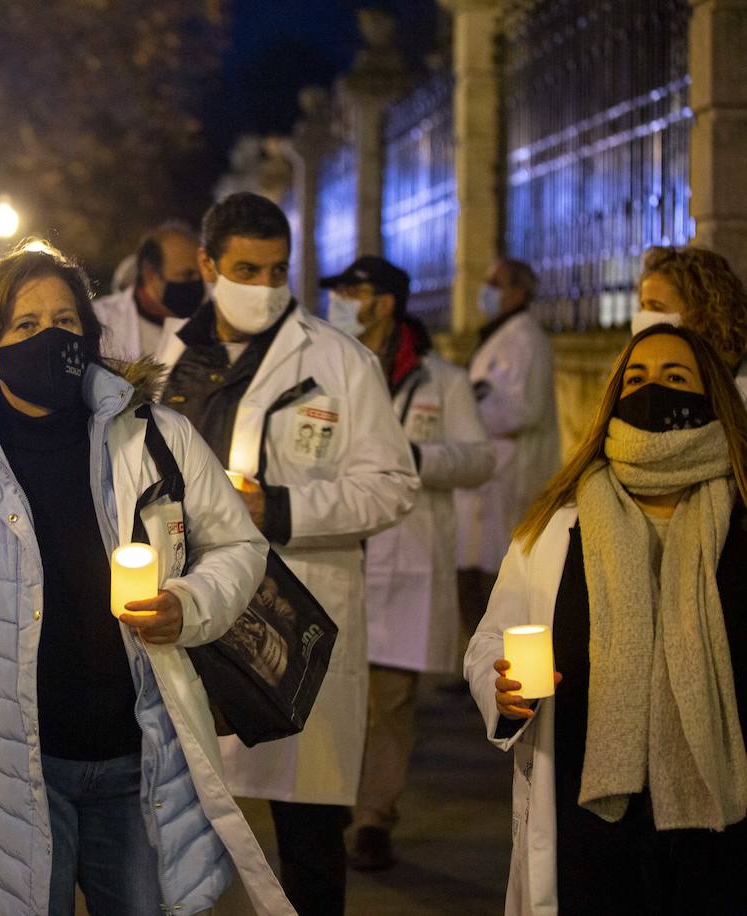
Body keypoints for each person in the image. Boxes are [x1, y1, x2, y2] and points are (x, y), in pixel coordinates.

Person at [0, 244, 295, 914]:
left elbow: (236, 547)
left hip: (139, 766)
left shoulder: (156, 438)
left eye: (66, 322)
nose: (51, 338)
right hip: (5, 773)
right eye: (25, 326)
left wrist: (189, 604)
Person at [156, 194, 419, 916]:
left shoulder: (339, 362)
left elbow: (393, 487)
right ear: (208, 266)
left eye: (277, 270)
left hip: (294, 622)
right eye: (246, 268)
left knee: (305, 837)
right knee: (189, 825)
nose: (266, 286)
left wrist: (279, 508)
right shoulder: (166, 361)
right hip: (191, 614)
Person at [467, 325, 747, 914]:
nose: (653, 391)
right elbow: (491, 638)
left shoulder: (741, 522)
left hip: (724, 826)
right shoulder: (556, 525)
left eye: (676, 378)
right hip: (588, 818)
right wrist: (502, 692)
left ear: (713, 396)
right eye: (636, 378)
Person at [320, 256, 496, 871]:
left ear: (386, 302)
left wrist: (410, 456)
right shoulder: (323, 371)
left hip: (407, 560)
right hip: (339, 551)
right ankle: (334, 801)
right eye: (338, 290)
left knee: (391, 702)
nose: (341, 299)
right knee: (334, 694)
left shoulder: (440, 380)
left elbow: (478, 461)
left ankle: (373, 820)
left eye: (354, 290)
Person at [454, 258, 560, 659]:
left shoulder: (525, 339)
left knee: (499, 581)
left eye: (494, 283)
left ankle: (498, 665)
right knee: (474, 574)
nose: (486, 289)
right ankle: (477, 665)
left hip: (510, 475)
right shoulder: (503, 335)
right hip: (489, 475)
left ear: (518, 292)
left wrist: (464, 417)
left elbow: (521, 409)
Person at [634, 245, 747, 400]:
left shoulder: (740, 386)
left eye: (656, 307)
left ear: (700, 313)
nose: (642, 317)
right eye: (642, 306)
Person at [92, 222, 206, 361]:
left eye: (201, 274)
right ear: (150, 273)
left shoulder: (211, 317)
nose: (198, 283)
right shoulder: (99, 321)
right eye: (187, 275)